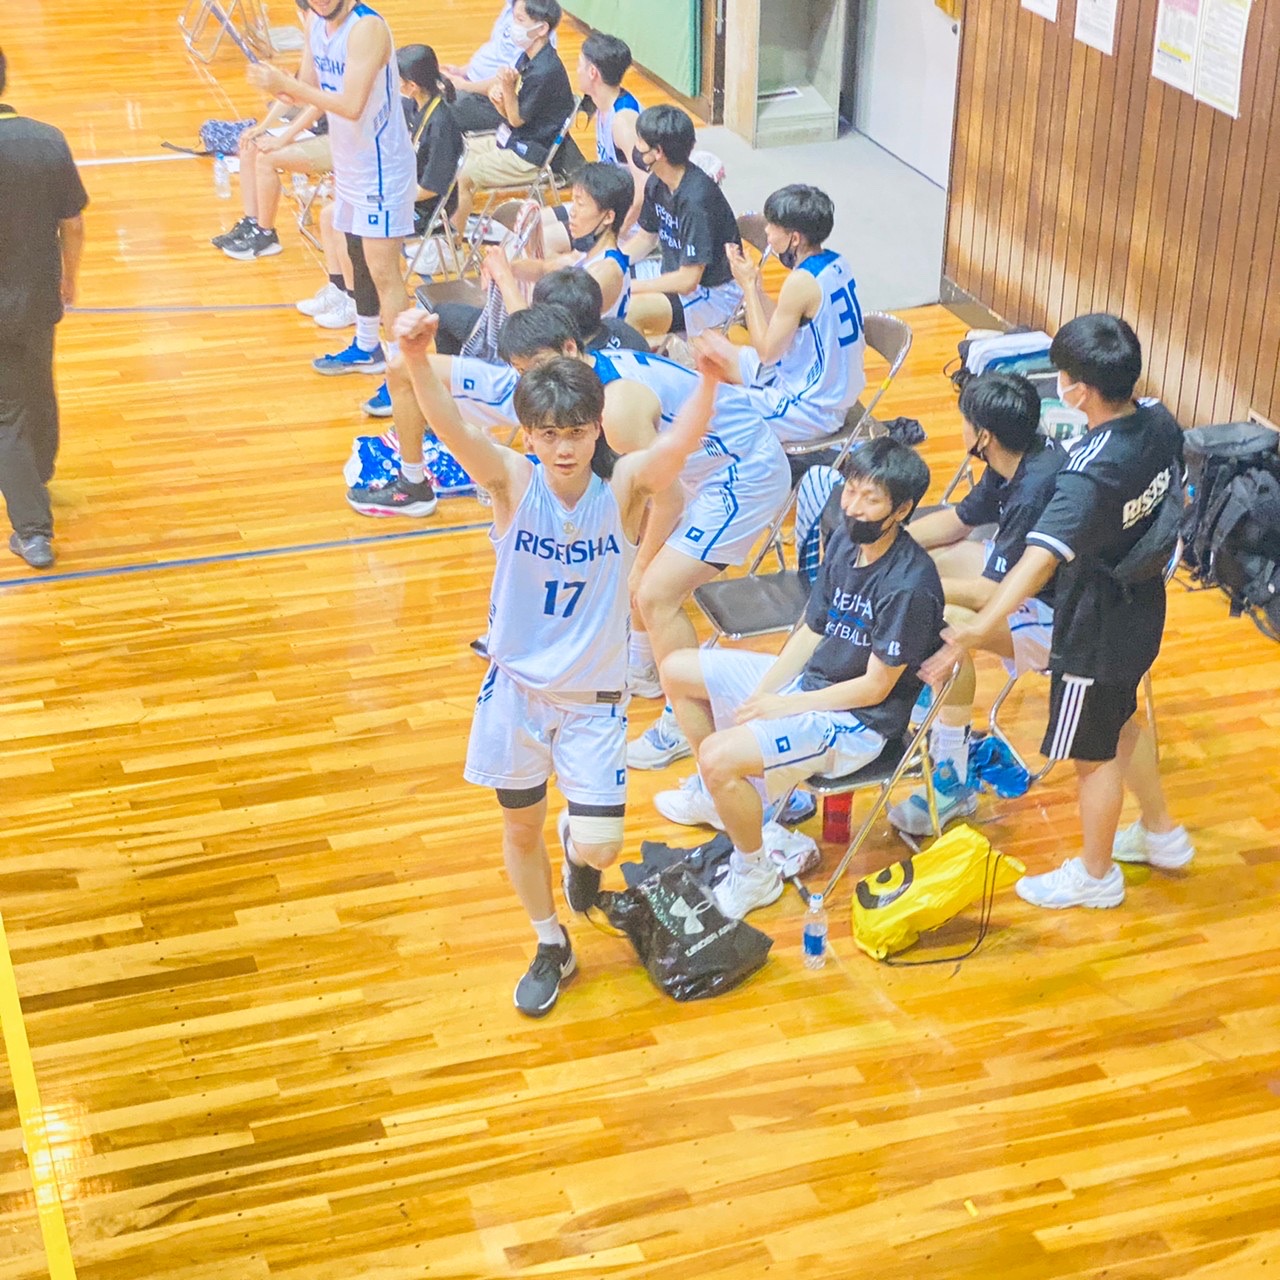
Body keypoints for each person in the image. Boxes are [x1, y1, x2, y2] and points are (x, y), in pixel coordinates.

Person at [393, 307, 726, 1015]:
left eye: (575, 432)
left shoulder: (624, 487)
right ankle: (551, 942)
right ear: (529, 435)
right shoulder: (512, 480)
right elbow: (452, 429)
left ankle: (579, 843)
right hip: (516, 692)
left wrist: (707, 381)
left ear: (596, 428)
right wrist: (417, 360)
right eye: (548, 434)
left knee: (601, 846)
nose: (563, 447)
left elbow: (679, 448)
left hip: (592, 703)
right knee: (520, 825)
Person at [923, 314, 1194, 911]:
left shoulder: (1086, 473)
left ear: (1080, 390)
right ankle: (1162, 833)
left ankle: (1095, 877)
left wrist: (979, 628)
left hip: (1091, 626)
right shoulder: (1159, 422)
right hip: (1142, 606)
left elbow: (1037, 562)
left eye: (1063, 376)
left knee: (1091, 755)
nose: (1059, 385)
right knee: (1121, 720)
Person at [658, 438, 945, 917]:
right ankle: (724, 800)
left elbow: (875, 688)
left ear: (902, 510)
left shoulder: (909, 585)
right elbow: (813, 628)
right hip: (813, 686)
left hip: (855, 724)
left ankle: (754, 872)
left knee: (718, 757)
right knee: (678, 669)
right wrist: (765, 691)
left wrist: (783, 706)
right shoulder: (846, 541)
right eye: (851, 491)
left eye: (871, 499)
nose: (853, 507)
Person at [250, 0, 437, 515]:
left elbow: (349, 104)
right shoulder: (317, 24)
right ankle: (367, 346)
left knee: (385, 273)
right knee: (349, 246)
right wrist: (280, 129)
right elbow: (310, 93)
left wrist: (283, 86)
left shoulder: (367, 27)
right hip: (351, 162)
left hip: (382, 167)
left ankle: (404, 371)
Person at [888, 372, 1066, 835]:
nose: (962, 426)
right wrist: (890, 544)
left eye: (966, 420)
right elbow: (959, 522)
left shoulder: (1035, 489)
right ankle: (929, 693)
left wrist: (909, 586)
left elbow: (991, 594)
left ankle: (952, 780)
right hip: (1032, 588)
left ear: (984, 436)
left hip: (1064, 621)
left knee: (943, 623)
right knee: (933, 561)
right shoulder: (1014, 458)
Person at [0, 47, 88, 570]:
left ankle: (33, 531)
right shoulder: (47, 139)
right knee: (37, 385)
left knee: (5, 412)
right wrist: (68, 278)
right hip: (37, 294)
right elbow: (72, 223)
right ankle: (40, 473)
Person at [360, 43, 465, 418]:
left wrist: (390, 193)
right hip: (407, 196)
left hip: (426, 210)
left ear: (412, 84)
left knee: (371, 240)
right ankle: (357, 310)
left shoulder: (442, 123)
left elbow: (433, 187)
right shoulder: (417, 108)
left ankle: (395, 359)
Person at [723, 183, 867, 443]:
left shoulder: (801, 282)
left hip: (811, 409)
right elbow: (784, 327)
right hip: (816, 382)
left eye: (773, 226)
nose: (766, 231)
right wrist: (756, 289)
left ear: (795, 238)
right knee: (709, 349)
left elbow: (767, 353)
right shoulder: (837, 262)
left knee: (712, 407)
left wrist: (748, 287)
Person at [451, 0, 575, 234]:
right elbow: (510, 116)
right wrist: (499, 99)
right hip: (512, 137)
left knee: (465, 175)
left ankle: (454, 242)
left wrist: (507, 88)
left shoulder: (545, 70)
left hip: (529, 154)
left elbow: (517, 119)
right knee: (455, 150)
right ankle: (455, 220)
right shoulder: (527, 58)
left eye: (520, 20)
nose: (513, 26)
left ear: (541, 29)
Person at [623, 104, 743, 340]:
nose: (636, 146)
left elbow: (689, 281)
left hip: (713, 292)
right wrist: (611, 263)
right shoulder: (657, 182)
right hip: (672, 272)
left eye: (640, 141)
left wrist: (629, 287)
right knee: (603, 284)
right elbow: (645, 238)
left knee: (629, 309)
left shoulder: (697, 201)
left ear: (658, 152)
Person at [487, 163, 634, 319]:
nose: (572, 212)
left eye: (580, 204)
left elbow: (534, 326)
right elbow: (543, 269)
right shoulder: (587, 253)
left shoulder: (604, 273)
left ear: (608, 217)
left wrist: (503, 276)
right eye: (573, 202)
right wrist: (506, 267)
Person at [542, 32, 644, 254]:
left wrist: (615, 236)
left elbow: (644, 188)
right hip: (602, 205)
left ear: (593, 72)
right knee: (534, 224)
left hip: (623, 222)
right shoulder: (603, 104)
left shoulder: (623, 122)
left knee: (544, 240)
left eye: (580, 64)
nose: (576, 70)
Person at [442, 0, 519, 133]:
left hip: (492, 101)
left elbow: (512, 79)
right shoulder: (511, 6)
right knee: (425, 81)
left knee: (440, 106)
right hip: (470, 83)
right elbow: (496, 49)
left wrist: (465, 86)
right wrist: (461, 71)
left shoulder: (531, 27)